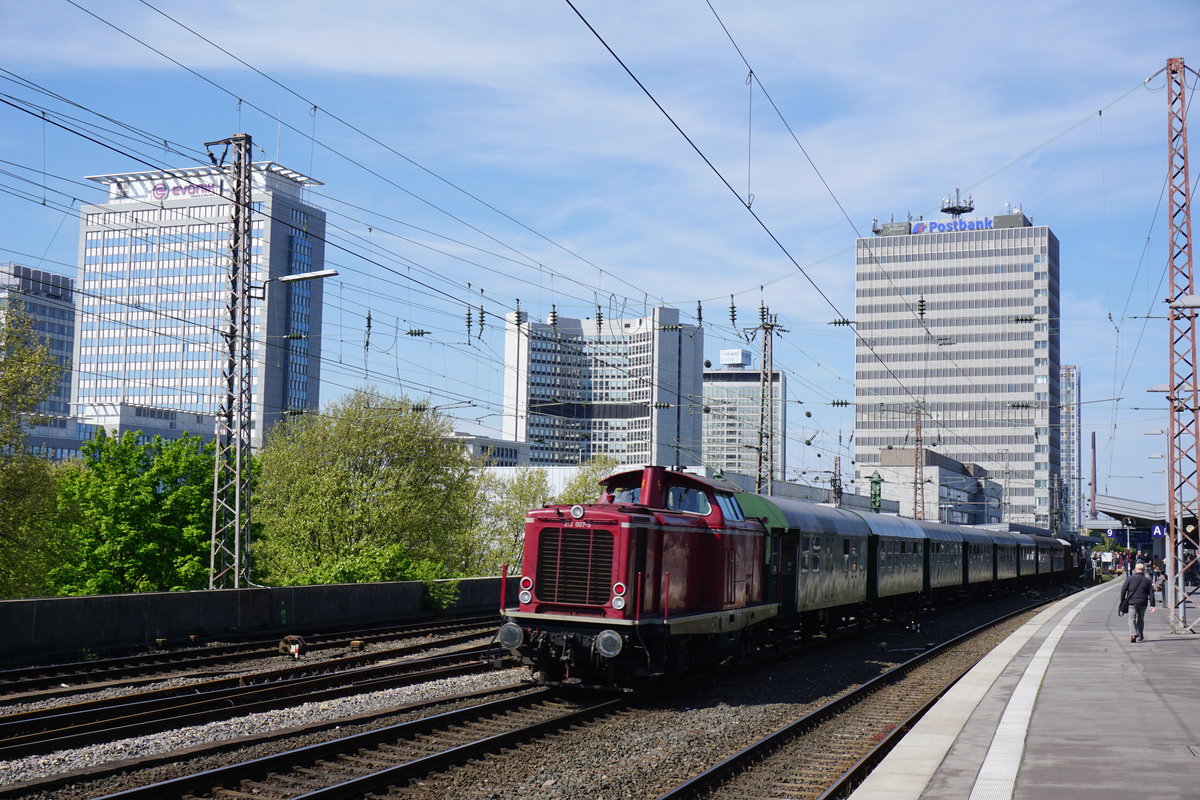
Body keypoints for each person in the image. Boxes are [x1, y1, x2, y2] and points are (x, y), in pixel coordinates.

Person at [1119, 562, 1156, 642]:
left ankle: (1133, 634)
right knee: (1140, 619)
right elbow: (1151, 593)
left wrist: (1122, 601)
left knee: (1131, 618)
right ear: (1143, 570)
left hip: (1132, 602)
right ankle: (1140, 635)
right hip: (1143, 602)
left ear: (1135, 570)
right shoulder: (1147, 580)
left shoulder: (1130, 578)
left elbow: (1123, 590)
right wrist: (1152, 605)